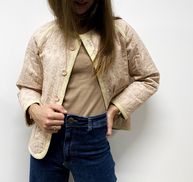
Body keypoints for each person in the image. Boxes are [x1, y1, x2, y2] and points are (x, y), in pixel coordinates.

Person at [16, 0, 160, 181]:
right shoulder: (43, 36)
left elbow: (149, 77)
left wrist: (116, 108)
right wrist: (36, 111)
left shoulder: (119, 32)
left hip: (92, 139)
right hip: (46, 142)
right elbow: (27, 86)